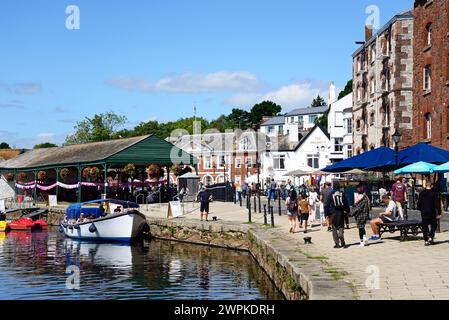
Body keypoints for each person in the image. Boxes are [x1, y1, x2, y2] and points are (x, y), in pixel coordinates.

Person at [325, 182, 350, 248]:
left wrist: (326, 214)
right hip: (341, 212)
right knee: (341, 226)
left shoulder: (331, 194)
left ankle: (337, 243)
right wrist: (348, 211)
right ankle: (341, 237)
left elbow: (327, 204)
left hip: (333, 213)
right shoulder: (342, 193)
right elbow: (346, 203)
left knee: (334, 228)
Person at [417, 182, 442, 246]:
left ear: (425, 186)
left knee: (424, 225)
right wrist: (439, 212)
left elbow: (419, 202)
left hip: (424, 211)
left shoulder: (422, 193)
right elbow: (437, 204)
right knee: (434, 224)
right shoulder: (434, 193)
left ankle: (426, 240)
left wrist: (420, 209)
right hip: (432, 211)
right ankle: (431, 235)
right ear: (431, 186)